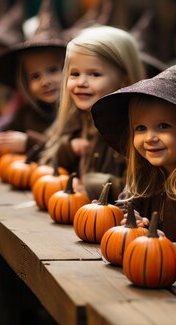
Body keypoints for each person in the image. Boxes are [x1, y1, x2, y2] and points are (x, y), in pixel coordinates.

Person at [92, 30, 176, 242]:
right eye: (140, 128)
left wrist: (167, 245)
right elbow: (126, 207)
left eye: (163, 126)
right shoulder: (144, 178)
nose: (150, 137)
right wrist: (130, 219)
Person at [39, 25, 146, 200]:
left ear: (124, 81)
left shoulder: (132, 130)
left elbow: (140, 189)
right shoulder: (76, 118)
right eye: (74, 74)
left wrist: (90, 184)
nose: (81, 82)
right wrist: (68, 148)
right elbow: (47, 158)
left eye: (94, 74)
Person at [0, 0, 67, 153]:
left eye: (53, 70)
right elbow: (4, 128)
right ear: (24, 83)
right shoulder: (27, 114)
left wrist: (29, 143)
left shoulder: (74, 118)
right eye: (35, 77)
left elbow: (70, 152)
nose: (45, 82)